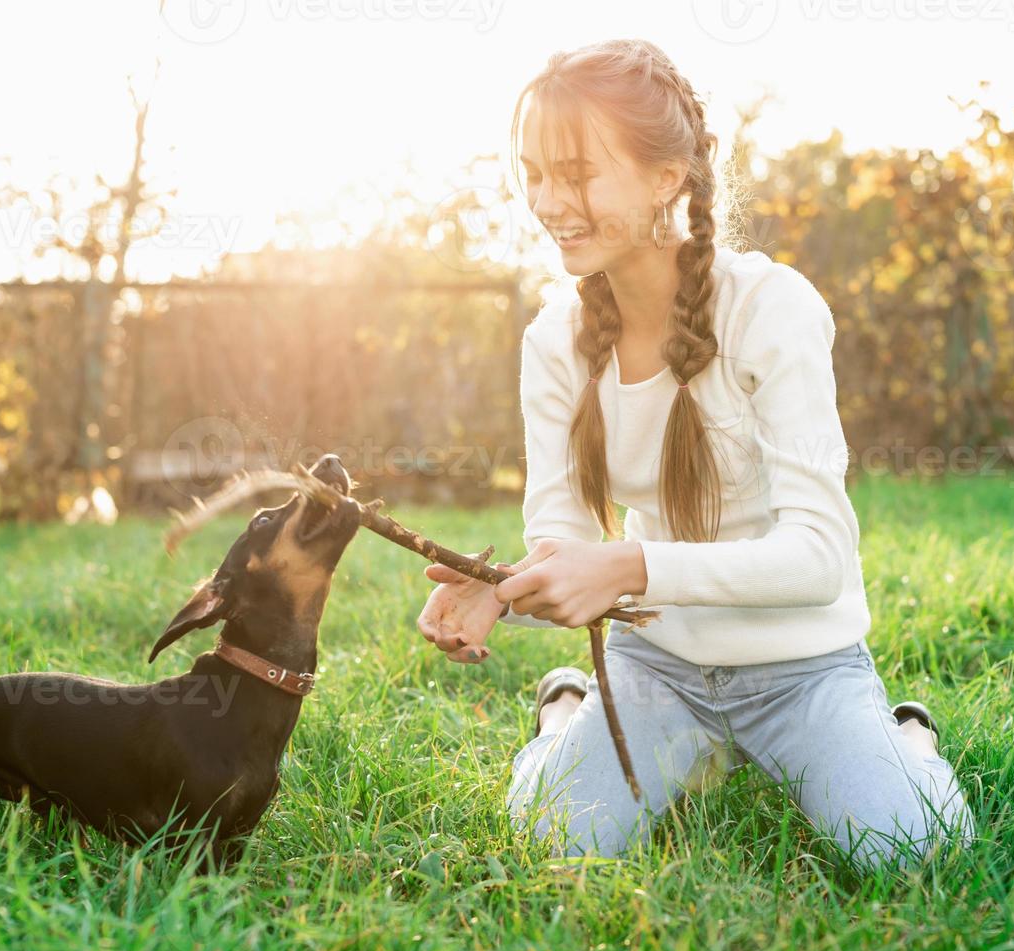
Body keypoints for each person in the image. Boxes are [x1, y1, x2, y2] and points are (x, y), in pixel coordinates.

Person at [416, 38, 975, 871]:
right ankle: (566, 713)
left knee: (911, 853)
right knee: (552, 842)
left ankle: (905, 741)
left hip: (801, 668)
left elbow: (818, 558)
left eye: (575, 174)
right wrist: (505, 587)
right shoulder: (553, 340)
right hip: (658, 665)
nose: (547, 201)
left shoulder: (771, 308)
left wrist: (633, 565)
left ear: (665, 177)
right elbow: (563, 529)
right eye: (533, 174)